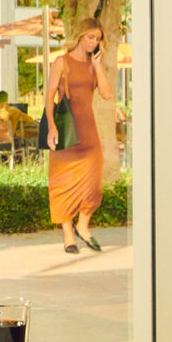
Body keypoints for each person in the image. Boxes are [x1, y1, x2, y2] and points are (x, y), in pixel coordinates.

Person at [44, 18, 115, 254]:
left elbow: (106, 93)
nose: (93, 42)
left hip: (88, 131)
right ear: (80, 36)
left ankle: (83, 226)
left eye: (97, 39)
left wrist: (97, 66)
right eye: (90, 37)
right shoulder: (61, 62)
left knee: (93, 185)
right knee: (63, 182)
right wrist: (52, 127)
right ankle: (68, 236)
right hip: (66, 130)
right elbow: (50, 97)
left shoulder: (94, 63)